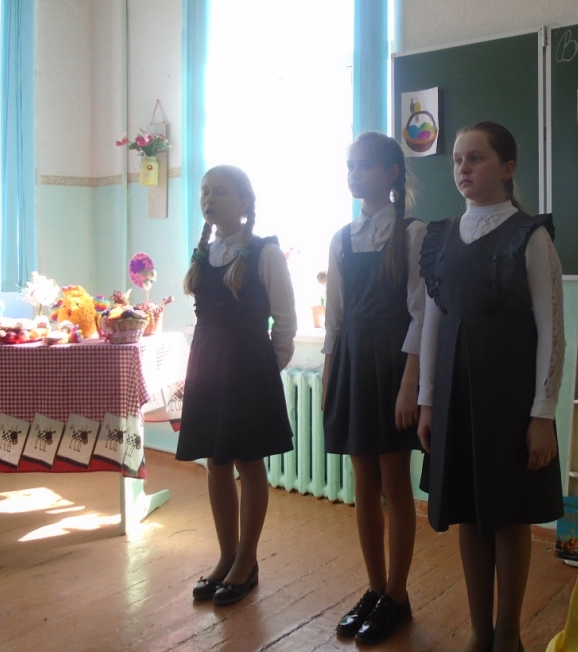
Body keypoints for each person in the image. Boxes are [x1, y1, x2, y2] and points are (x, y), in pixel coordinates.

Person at [417, 121, 565, 652]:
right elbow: (433, 322)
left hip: (510, 398)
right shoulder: (441, 237)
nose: (463, 168)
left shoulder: (531, 235)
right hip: (456, 395)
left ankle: (508, 634)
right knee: (467, 513)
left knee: (507, 516)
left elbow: (552, 329)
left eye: (475, 158)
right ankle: (480, 631)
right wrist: (427, 400)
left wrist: (542, 414)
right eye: (458, 160)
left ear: (507, 168)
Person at [322, 131, 426, 644]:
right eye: (350, 166)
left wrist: (410, 384)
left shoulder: (411, 233)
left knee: (393, 480)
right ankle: (375, 587)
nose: (354, 174)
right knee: (362, 479)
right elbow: (335, 319)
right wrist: (329, 379)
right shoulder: (342, 238)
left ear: (391, 173)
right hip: (353, 363)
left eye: (364, 165)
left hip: (393, 365)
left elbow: (421, 313)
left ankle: (398, 596)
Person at [176, 165, 297, 606]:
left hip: (248, 371)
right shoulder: (204, 254)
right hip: (208, 368)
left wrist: (263, 370)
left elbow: (285, 322)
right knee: (216, 462)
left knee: (249, 463)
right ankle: (226, 556)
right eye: (205, 192)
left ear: (244, 201)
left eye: (221, 192)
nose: (209, 199)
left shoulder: (265, 252)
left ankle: (247, 559)